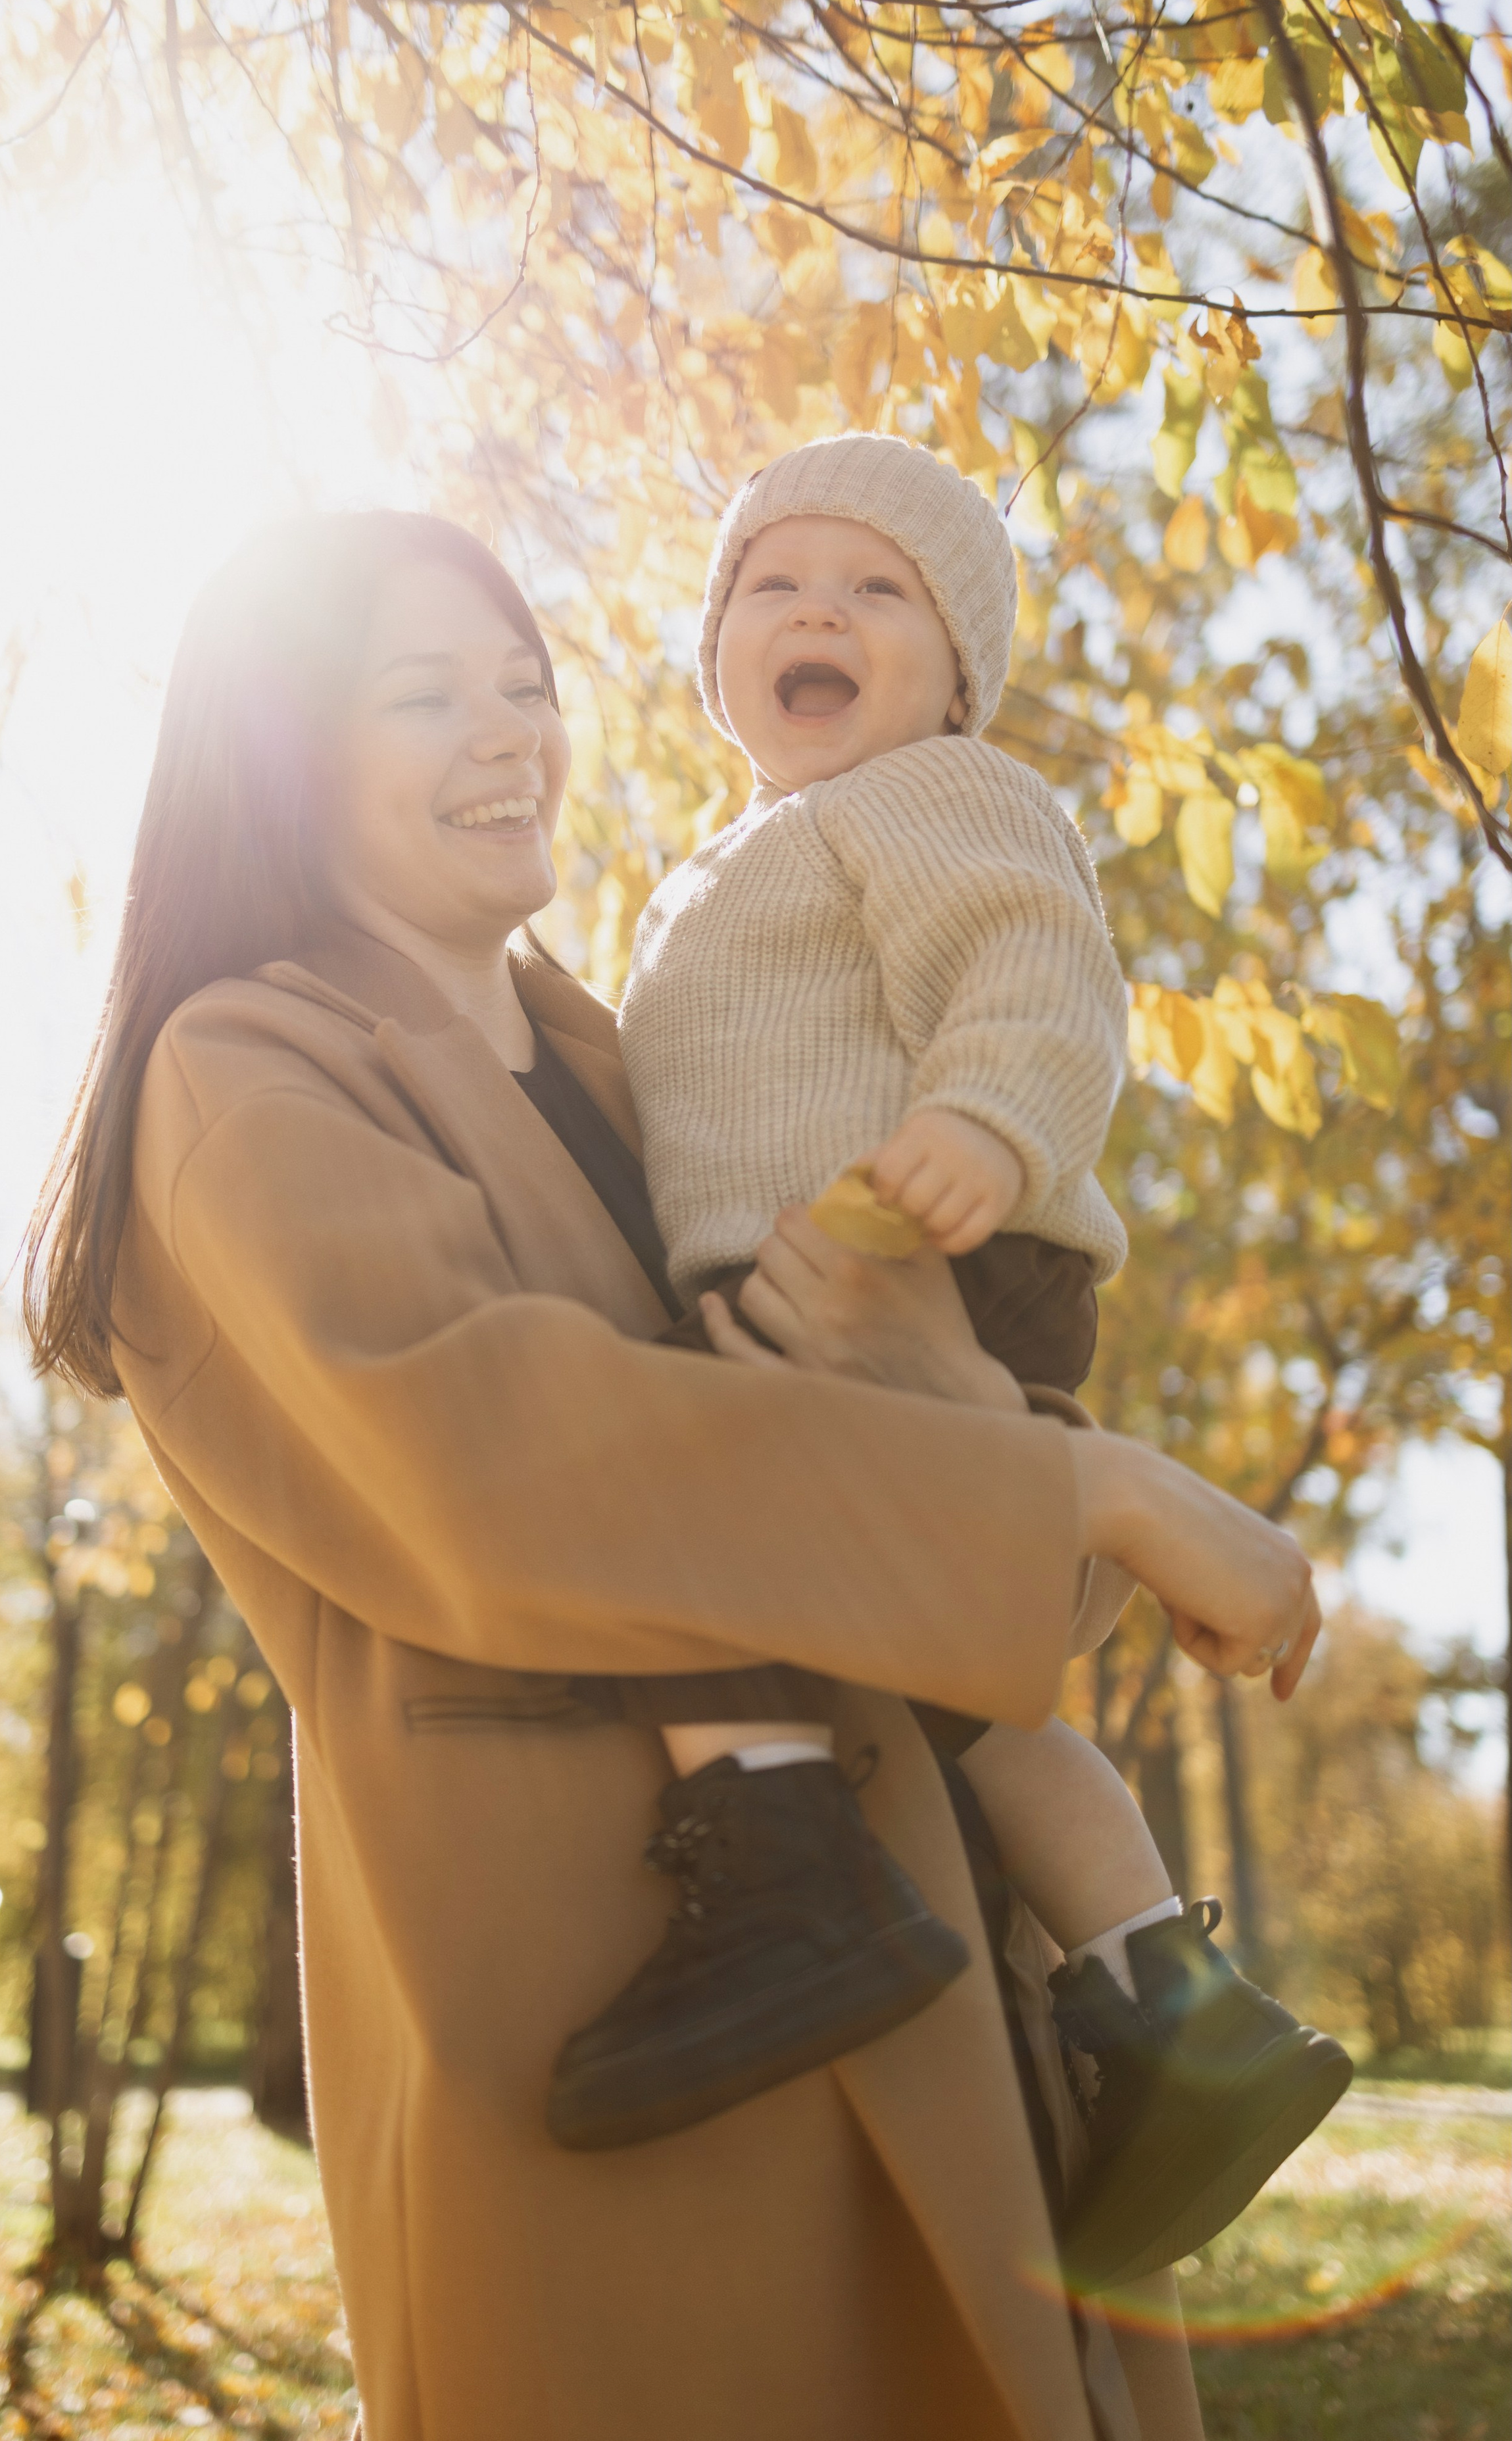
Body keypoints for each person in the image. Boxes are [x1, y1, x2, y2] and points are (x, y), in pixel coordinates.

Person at [24, 506, 1318, 2441]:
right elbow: (512, 1466)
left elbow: (994, 1611)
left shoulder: (654, 1080)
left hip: (960, 2012)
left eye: (529, 685)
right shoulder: (244, 1077)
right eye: (425, 693)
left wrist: (970, 1400)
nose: (511, 733)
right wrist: (1097, 1483)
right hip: (640, 2057)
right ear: (278, 757)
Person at [550, 434, 1351, 2294]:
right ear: (717, 653)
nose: (815, 610)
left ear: (957, 672)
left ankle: (782, 1864)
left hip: (926, 1252)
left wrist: (987, 1126)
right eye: (772, 585)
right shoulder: (727, 865)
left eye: (875, 591)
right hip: (822, 1273)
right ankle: (1168, 1997)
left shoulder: (938, 795)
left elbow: (1041, 969)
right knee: (979, 1695)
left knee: (671, 1513)